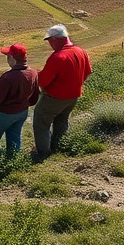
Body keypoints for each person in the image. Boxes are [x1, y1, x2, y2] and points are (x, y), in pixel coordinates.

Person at [32, 24, 92, 160]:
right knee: (62, 120)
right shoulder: (80, 51)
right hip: (74, 96)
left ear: (55, 39)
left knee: (41, 121)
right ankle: (59, 147)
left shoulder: (58, 57)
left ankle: (43, 153)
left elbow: (42, 81)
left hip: (55, 97)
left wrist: (37, 75)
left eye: (49, 41)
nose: (49, 44)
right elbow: (88, 72)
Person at [0, 43, 39, 165]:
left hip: (4, 113)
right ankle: (13, 162)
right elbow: (35, 96)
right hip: (22, 111)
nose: (7, 59)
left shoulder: (7, 77)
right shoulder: (33, 73)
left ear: (13, 59)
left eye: (8, 56)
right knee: (14, 136)